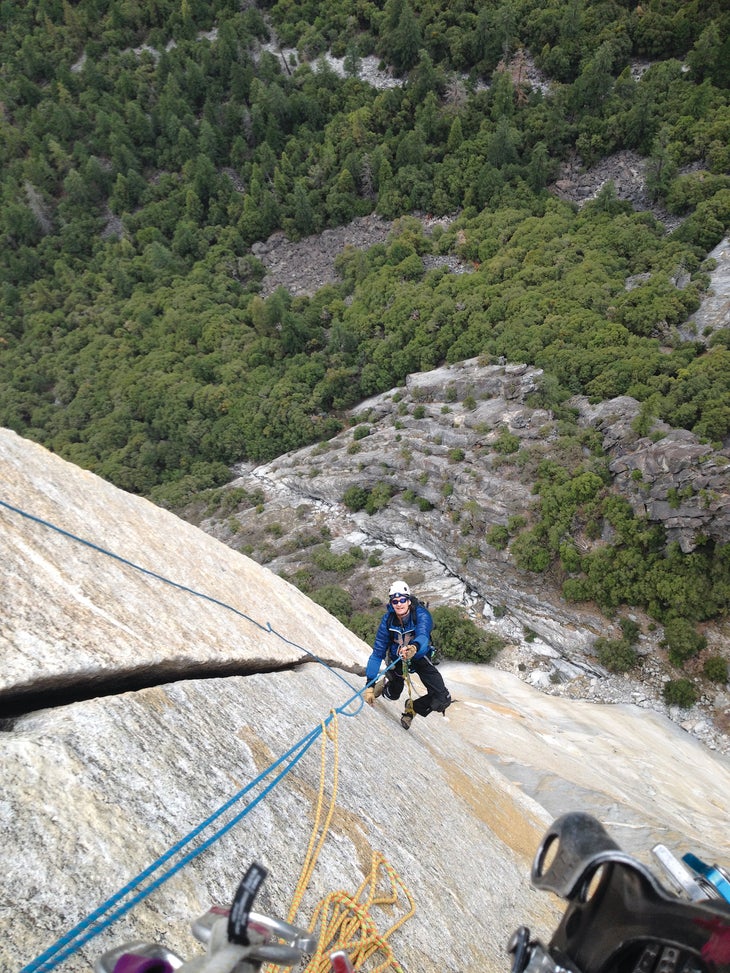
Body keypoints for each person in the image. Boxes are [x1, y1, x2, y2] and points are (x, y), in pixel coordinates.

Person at [364, 580, 452, 730]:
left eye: (403, 600)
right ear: (391, 603)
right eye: (395, 601)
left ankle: (412, 709)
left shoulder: (421, 614)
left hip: (419, 656)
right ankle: (387, 684)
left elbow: (423, 635)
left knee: (442, 699)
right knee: (392, 695)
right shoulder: (388, 620)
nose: (399, 604)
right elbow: (378, 652)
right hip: (398, 658)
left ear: (409, 600)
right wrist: (369, 685)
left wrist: (414, 647)